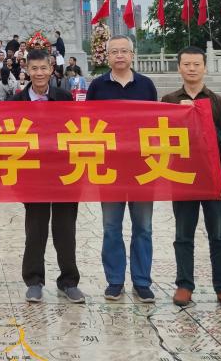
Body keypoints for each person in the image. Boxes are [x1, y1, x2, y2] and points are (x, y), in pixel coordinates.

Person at [161, 46, 221, 311]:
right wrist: (178, 114)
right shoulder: (169, 101)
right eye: (187, 64)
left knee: (219, 236)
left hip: (213, 179)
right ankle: (184, 285)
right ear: (179, 68)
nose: (192, 69)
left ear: (205, 67)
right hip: (182, 178)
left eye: (196, 64)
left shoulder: (219, 103)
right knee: (183, 236)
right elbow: (161, 140)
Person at [87, 34, 159, 303]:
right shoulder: (97, 87)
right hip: (110, 170)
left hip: (143, 169)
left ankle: (142, 281)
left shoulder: (146, 85)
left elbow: (156, 123)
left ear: (132, 54)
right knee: (111, 227)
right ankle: (115, 281)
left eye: (124, 51)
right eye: (114, 51)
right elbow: (87, 124)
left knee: (143, 227)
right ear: (106, 56)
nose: (119, 55)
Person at [11, 49, 84, 304]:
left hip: (64, 174)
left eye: (44, 68)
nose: (39, 73)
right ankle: (34, 281)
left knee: (65, 231)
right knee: (35, 230)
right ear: (27, 70)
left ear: (51, 69)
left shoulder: (64, 97)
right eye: (34, 69)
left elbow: (76, 131)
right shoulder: (17, 101)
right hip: (32, 176)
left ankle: (69, 281)